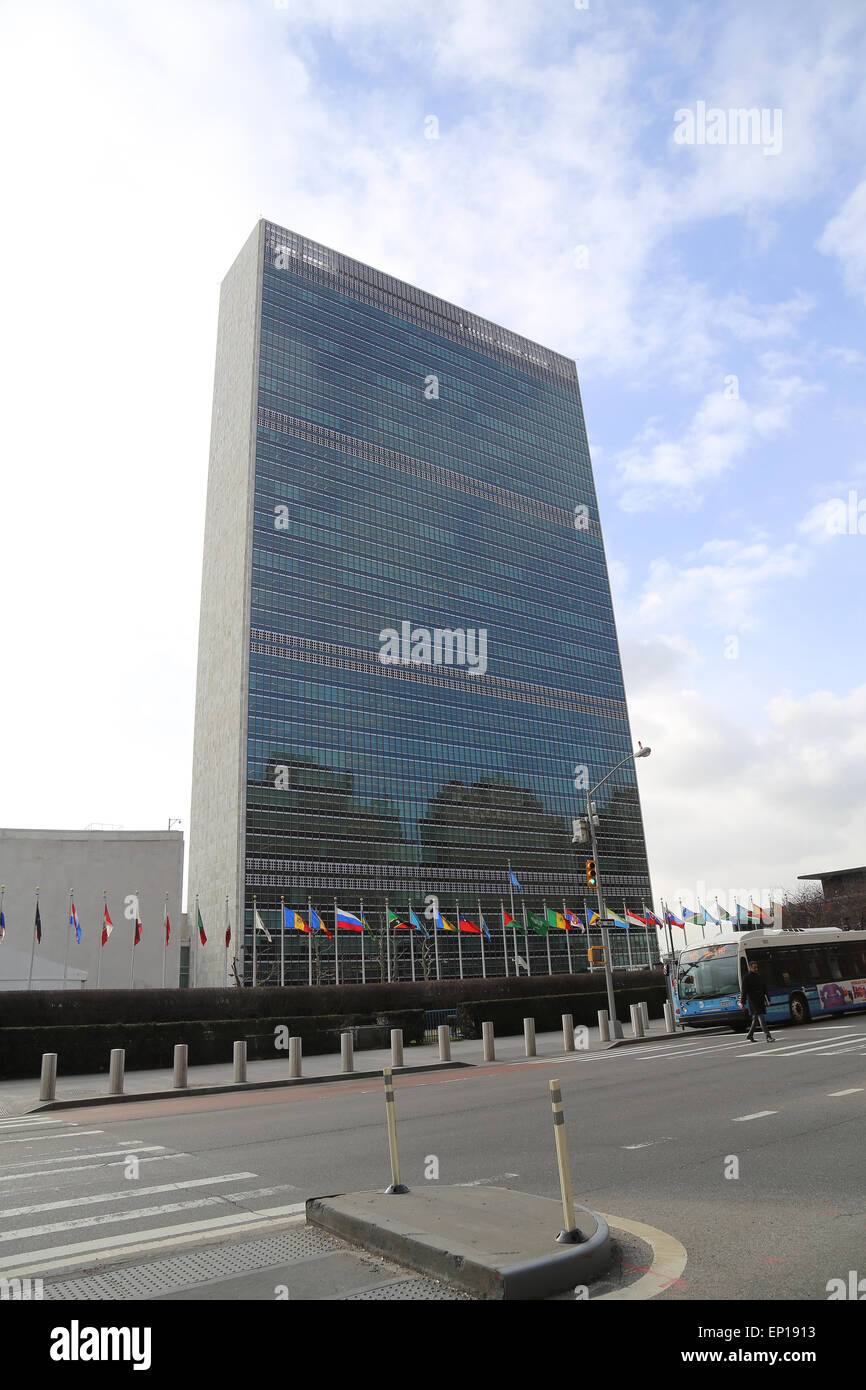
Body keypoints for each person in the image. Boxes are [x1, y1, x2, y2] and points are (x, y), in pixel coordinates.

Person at [741, 960, 774, 1042]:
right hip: (753, 1002)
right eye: (754, 967)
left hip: (760, 1000)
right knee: (761, 1018)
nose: (756, 969)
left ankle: (750, 1035)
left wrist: (768, 1000)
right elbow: (744, 991)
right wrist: (742, 1003)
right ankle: (768, 1036)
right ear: (750, 968)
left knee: (756, 1020)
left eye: (756, 967)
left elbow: (764, 988)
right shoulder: (746, 977)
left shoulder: (759, 976)